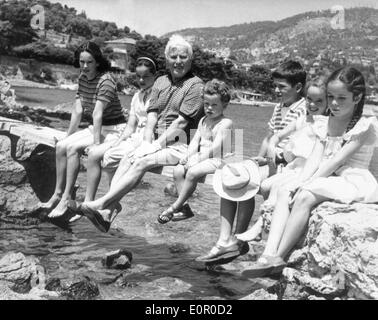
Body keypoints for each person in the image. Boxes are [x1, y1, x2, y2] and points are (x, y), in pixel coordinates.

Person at [242, 66, 378, 277]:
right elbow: (316, 157)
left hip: (351, 177)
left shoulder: (364, 125)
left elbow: (336, 160)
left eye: (341, 98)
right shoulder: (327, 121)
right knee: (287, 189)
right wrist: (301, 180)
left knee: (305, 195)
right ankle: (267, 254)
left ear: (357, 97)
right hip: (328, 174)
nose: (333, 103)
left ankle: (279, 254)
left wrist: (308, 184)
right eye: (331, 97)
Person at [79, 35, 204, 232]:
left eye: (183, 56)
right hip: (158, 140)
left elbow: (181, 122)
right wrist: (146, 143)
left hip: (182, 144)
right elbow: (151, 115)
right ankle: (108, 212)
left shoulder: (196, 86)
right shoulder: (161, 81)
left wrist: (154, 146)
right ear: (166, 59)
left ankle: (103, 203)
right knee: (129, 156)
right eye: (173, 57)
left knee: (141, 161)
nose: (178, 61)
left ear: (190, 59)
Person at [195, 60, 307, 263]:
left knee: (246, 182)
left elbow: (299, 145)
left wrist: (272, 160)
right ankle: (225, 239)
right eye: (276, 85)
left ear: (298, 87)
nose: (276, 90)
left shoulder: (304, 110)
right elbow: (268, 136)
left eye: (282, 87)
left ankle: (236, 239)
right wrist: (259, 158)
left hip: (288, 164)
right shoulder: (279, 107)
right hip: (271, 161)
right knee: (232, 176)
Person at [38, 41, 127, 218]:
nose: (85, 66)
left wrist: (95, 144)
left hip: (114, 129)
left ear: (98, 62)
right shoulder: (82, 78)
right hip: (98, 127)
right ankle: (57, 194)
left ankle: (67, 199)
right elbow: (78, 110)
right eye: (82, 62)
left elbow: (97, 113)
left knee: (73, 149)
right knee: (62, 146)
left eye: (89, 62)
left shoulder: (106, 81)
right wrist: (68, 135)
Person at [236, 77, 329, 242]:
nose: (312, 104)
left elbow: (312, 156)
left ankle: (260, 227)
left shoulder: (324, 124)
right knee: (260, 184)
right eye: (309, 99)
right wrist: (271, 147)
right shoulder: (301, 119)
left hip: (305, 169)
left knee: (273, 187)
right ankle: (255, 230)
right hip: (291, 165)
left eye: (319, 101)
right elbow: (275, 136)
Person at [68, 56, 157, 223]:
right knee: (101, 156)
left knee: (119, 159)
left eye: (146, 76)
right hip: (134, 136)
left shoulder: (157, 95)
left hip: (148, 138)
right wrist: (117, 142)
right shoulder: (137, 96)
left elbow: (151, 124)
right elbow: (130, 126)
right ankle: (99, 204)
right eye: (138, 76)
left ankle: (108, 205)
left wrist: (141, 144)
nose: (141, 80)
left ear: (154, 76)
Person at [157, 79, 233, 224]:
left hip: (217, 159)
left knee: (191, 172)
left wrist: (198, 160)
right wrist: (188, 156)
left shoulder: (226, 123)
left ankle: (174, 207)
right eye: (206, 104)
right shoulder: (203, 120)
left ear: (225, 105)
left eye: (214, 105)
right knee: (178, 170)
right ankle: (184, 207)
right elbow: (195, 141)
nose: (209, 108)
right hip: (202, 157)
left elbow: (216, 147)